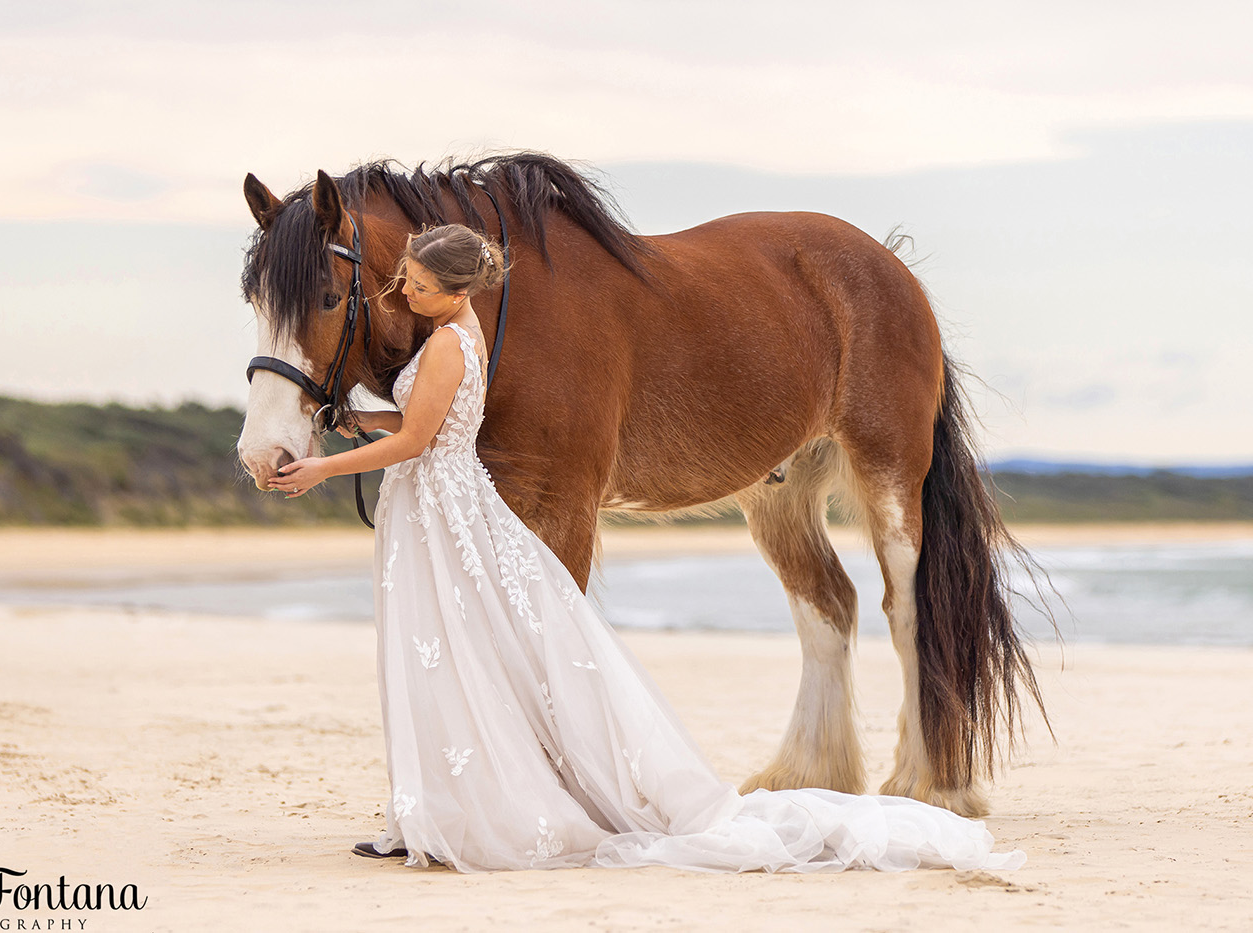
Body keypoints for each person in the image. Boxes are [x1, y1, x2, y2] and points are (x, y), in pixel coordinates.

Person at [268, 223, 1025, 874]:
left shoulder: (448, 347)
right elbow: (419, 428)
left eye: (416, 284)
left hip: (436, 501)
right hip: (434, 505)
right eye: (402, 282)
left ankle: (936, 760)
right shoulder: (458, 337)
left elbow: (415, 434)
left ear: (455, 287)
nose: (402, 296)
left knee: (904, 564)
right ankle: (819, 753)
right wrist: (355, 423)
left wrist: (324, 464)